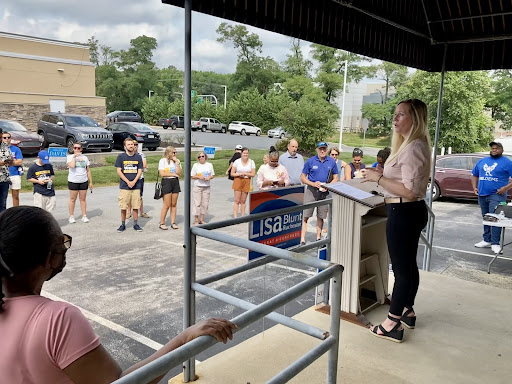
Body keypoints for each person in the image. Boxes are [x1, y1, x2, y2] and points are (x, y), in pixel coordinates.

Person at [0, 206, 237, 384]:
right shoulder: (57, 319)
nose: (64, 249)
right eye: (62, 243)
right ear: (50, 257)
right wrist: (184, 338)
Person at [361, 99, 431, 343]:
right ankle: (407, 311)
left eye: (402, 115)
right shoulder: (413, 145)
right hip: (409, 211)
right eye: (395, 114)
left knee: (402, 271)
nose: (395, 118)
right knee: (408, 267)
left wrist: (377, 178)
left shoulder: (412, 147)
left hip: (404, 212)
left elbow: (409, 190)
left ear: (415, 119)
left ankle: (392, 323)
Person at [471, 141, 512, 255]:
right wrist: (474, 187)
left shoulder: (507, 163)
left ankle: (495, 243)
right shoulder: (482, 161)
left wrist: (505, 188)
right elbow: (474, 174)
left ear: (502, 150)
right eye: (492, 148)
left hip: (497, 195)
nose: (494, 150)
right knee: (486, 218)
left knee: (496, 219)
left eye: (496, 148)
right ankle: (486, 240)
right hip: (483, 194)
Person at [300, 141, 339, 244]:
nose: (322, 151)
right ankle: (302, 239)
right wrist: (313, 184)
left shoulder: (331, 161)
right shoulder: (310, 161)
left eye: (324, 149)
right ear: (317, 150)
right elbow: (303, 177)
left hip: (324, 191)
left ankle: (318, 238)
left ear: (326, 150)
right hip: (311, 191)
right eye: (320, 149)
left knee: (321, 215)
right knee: (306, 214)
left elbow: (336, 177)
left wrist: (328, 185)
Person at [115, 138, 143, 232]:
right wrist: (128, 181)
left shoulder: (138, 157)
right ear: (125, 146)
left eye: (132, 144)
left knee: (136, 206)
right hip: (124, 186)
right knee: (123, 206)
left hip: (136, 186)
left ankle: (135, 224)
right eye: (129, 144)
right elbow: (119, 171)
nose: (131, 146)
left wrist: (134, 181)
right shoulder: (121, 157)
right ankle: (123, 224)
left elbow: (140, 171)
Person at [67, 142, 93, 224]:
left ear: (81, 149)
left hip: (83, 180)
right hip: (73, 181)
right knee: (73, 199)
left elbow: (88, 170)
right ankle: (71, 216)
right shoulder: (69, 157)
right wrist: (75, 157)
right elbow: (72, 166)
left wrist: (90, 182)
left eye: (78, 148)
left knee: (83, 199)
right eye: (75, 148)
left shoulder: (85, 158)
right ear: (73, 149)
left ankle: (84, 215)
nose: (77, 149)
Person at [159, 146, 182, 230]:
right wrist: (172, 174)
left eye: (176, 153)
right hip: (166, 182)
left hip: (175, 182)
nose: (175, 154)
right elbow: (162, 173)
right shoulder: (163, 161)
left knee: (174, 204)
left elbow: (179, 173)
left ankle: (173, 222)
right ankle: (162, 223)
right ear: (169, 153)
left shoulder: (177, 161)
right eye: (173, 152)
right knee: (167, 204)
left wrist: (177, 163)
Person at [191, 151, 215, 225]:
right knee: (197, 203)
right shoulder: (196, 165)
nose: (201, 158)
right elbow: (192, 176)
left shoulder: (209, 165)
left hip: (206, 186)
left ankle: (201, 219)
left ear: (205, 157)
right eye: (199, 157)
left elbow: (212, 175)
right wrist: (199, 177)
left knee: (205, 203)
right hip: (198, 186)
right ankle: (196, 220)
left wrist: (209, 177)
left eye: (202, 156)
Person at [127, 141, 150, 220]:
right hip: (130, 178)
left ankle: (142, 212)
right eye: (134, 144)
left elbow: (143, 165)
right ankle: (129, 212)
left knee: (139, 196)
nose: (135, 146)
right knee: (129, 195)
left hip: (139, 178)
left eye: (136, 145)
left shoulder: (141, 155)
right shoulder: (127, 154)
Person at [231, 147, 255, 217]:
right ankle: (235, 216)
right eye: (244, 153)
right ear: (241, 153)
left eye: (247, 153)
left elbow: (253, 174)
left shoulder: (251, 162)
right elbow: (232, 173)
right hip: (238, 179)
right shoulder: (237, 162)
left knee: (243, 200)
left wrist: (245, 173)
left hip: (247, 180)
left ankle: (242, 215)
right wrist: (239, 174)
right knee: (237, 200)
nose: (246, 154)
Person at [2, 131, 23, 207]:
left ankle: (15, 212)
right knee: (3, 197)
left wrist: (9, 162)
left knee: (15, 196)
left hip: (14, 174)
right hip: (3, 175)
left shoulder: (16, 149)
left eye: (8, 137)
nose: (6, 139)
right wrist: (12, 162)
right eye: (4, 137)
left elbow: (20, 162)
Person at [0, 129, 13, 213]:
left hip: (4, 179)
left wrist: (9, 161)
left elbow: (10, 160)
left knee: (2, 204)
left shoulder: (5, 145)